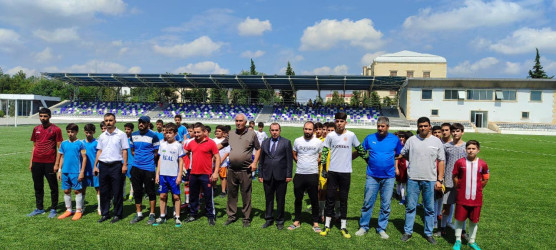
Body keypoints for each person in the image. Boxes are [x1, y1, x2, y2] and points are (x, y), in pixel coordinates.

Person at [320, 112, 368, 238]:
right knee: (330, 198)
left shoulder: (351, 135)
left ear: (345, 122)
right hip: (333, 172)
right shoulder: (330, 136)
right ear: (335, 122)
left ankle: (343, 227)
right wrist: (324, 168)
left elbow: (360, 148)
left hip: (346, 173)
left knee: (343, 199)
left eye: (341, 121)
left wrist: (367, 159)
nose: (339, 123)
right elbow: (324, 152)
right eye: (337, 121)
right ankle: (327, 226)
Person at [355, 117, 403, 239]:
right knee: (367, 202)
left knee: (386, 205)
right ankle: (363, 226)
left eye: (382, 126)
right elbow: (360, 150)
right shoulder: (370, 138)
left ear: (388, 126)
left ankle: (381, 228)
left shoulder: (394, 139)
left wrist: (390, 159)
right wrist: (347, 158)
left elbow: (400, 153)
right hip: (372, 176)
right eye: (378, 126)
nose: (380, 128)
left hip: (389, 177)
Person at [400, 117, 445, 244]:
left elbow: (441, 161)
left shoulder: (437, 142)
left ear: (430, 126)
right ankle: (408, 231)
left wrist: (439, 180)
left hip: (430, 179)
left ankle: (428, 233)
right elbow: (403, 154)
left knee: (430, 208)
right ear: (417, 127)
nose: (423, 128)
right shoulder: (411, 140)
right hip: (413, 178)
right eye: (420, 126)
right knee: (410, 207)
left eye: (425, 126)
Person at [219, 113, 261, 227]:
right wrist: (206, 148)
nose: (238, 123)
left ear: (245, 122)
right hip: (232, 169)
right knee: (231, 194)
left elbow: (258, 149)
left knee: (246, 194)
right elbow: (221, 145)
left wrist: (254, 162)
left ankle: (246, 218)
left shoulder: (252, 134)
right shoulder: (231, 134)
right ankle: (231, 216)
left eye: (240, 121)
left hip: (245, 170)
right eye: (236, 121)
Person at [452, 140, 489, 250]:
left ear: (478, 150)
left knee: (474, 220)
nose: (471, 150)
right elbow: (455, 176)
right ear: (465, 149)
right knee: (459, 219)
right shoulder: (460, 162)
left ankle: (472, 241)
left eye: (473, 148)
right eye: (469, 148)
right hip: (462, 197)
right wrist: (458, 187)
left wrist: (478, 188)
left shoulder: (482, 163)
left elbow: (486, 178)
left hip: (476, 198)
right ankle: (458, 240)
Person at [94, 113, 130, 223]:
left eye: (110, 120)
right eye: (106, 120)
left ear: (115, 121)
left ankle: (117, 214)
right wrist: (95, 165)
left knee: (117, 191)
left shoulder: (121, 134)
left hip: (116, 165)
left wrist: (124, 165)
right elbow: (99, 151)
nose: (108, 122)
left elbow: (125, 150)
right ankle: (105, 214)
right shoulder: (102, 136)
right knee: (104, 191)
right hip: (103, 165)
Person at [28, 108, 63, 218]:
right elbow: (34, 146)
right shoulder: (36, 129)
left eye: (45, 116)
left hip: (50, 162)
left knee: (53, 187)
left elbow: (60, 149)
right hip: (36, 162)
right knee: (38, 186)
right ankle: (39, 208)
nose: (43, 118)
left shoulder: (56, 129)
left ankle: (53, 208)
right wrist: (31, 162)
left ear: (49, 116)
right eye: (41, 116)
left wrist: (57, 164)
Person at [184, 123, 221, 225]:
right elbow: (185, 152)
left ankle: (210, 215)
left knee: (208, 196)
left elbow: (217, 157)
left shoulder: (211, 143)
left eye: (198, 132)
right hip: (193, 173)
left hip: (206, 174)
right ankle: (193, 214)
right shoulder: (191, 143)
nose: (196, 134)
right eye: (194, 132)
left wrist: (215, 172)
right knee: (193, 195)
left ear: (204, 132)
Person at [258, 123, 293, 230]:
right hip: (267, 175)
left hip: (281, 175)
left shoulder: (286, 142)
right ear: (269, 131)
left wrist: (288, 174)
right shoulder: (264, 143)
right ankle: (269, 219)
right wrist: (260, 174)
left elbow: (289, 160)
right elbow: (261, 160)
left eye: (276, 130)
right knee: (268, 198)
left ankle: (280, 220)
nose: (274, 132)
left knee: (280, 199)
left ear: (280, 131)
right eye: (272, 130)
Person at [289, 121, 322, 232]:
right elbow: (294, 153)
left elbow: (320, 156)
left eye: (310, 129)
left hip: (312, 174)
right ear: (303, 129)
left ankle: (315, 222)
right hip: (299, 174)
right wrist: (299, 162)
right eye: (306, 129)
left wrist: (313, 164)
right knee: (298, 199)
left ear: (313, 130)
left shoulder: (318, 142)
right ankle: (297, 221)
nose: (307, 131)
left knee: (314, 199)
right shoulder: (298, 141)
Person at [437, 123, 467, 237]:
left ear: (462, 132)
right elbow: (442, 163)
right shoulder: (446, 146)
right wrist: (441, 178)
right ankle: (443, 227)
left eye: (458, 131)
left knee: (463, 207)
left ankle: (463, 230)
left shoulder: (466, 146)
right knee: (446, 206)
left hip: (462, 181)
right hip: (449, 180)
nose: (455, 133)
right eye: (453, 131)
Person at [129, 116, 160, 225]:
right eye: (140, 122)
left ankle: (152, 214)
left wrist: (148, 160)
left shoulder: (153, 136)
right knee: (137, 191)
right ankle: (139, 214)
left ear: (148, 124)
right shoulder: (133, 135)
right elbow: (132, 150)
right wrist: (139, 158)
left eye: (143, 122)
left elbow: (156, 153)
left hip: (148, 168)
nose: (141, 124)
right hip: (136, 167)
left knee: (151, 191)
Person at [154, 123, 185, 227]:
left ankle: (177, 217)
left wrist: (179, 175)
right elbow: (160, 159)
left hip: (173, 175)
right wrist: (157, 174)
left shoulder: (178, 145)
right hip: (163, 175)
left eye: (170, 133)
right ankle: (162, 216)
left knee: (176, 196)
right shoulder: (162, 144)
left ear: (175, 133)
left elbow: (181, 161)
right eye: (166, 132)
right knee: (162, 195)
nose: (167, 135)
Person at [56, 123, 87, 220]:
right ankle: (68, 210)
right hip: (65, 171)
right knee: (66, 190)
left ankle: (78, 210)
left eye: (72, 132)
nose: (70, 134)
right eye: (68, 132)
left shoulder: (80, 143)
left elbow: (84, 158)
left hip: (76, 172)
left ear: (76, 132)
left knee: (77, 191)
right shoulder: (63, 144)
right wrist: (60, 170)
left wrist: (82, 171)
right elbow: (61, 157)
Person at [82, 123, 101, 215]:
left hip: (95, 169)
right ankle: (81, 207)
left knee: (98, 188)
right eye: (87, 132)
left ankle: (100, 207)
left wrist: (96, 166)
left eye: (90, 132)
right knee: (82, 188)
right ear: (84, 132)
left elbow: (99, 155)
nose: (88, 134)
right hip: (84, 170)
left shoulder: (97, 143)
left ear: (94, 132)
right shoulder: (82, 143)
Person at [213, 125, 230, 198]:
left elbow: (227, 152)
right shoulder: (213, 140)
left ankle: (223, 190)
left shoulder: (226, 141)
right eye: (216, 131)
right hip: (214, 162)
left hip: (223, 162)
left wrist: (220, 161)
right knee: (213, 176)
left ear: (223, 133)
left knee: (223, 177)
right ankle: (214, 188)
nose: (217, 132)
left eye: (219, 131)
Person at [395, 131, 410, 205]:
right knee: (403, 183)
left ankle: (411, 200)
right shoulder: (400, 146)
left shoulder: (412, 145)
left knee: (411, 185)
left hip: (412, 168)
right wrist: (396, 168)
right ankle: (403, 198)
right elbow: (397, 158)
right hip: (403, 168)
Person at [123, 123, 135, 201]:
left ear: (132, 130)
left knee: (132, 179)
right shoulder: (122, 138)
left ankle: (131, 194)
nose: (127, 131)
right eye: (126, 129)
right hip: (123, 162)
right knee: (122, 179)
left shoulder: (134, 139)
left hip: (131, 162)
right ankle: (123, 194)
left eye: (128, 129)